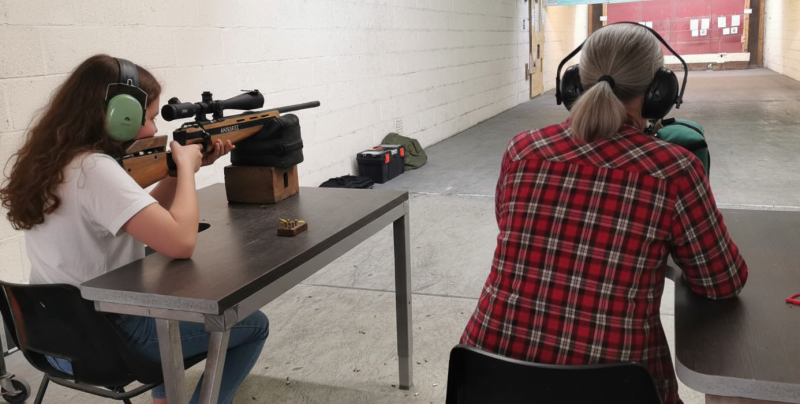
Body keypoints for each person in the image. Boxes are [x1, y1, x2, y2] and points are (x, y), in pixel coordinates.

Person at [460, 23, 747, 404]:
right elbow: (721, 281)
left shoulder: (521, 151)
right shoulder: (675, 170)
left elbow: (511, 227)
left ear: (573, 84)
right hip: (620, 389)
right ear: (659, 92)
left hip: (487, 380)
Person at [0, 54, 269, 404]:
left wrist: (178, 172)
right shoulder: (94, 169)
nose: (155, 129)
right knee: (253, 324)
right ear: (119, 115)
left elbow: (141, 215)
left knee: (165, 304)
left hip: (50, 341)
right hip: (108, 340)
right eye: (150, 117)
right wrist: (186, 172)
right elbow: (181, 242)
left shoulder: (53, 161)